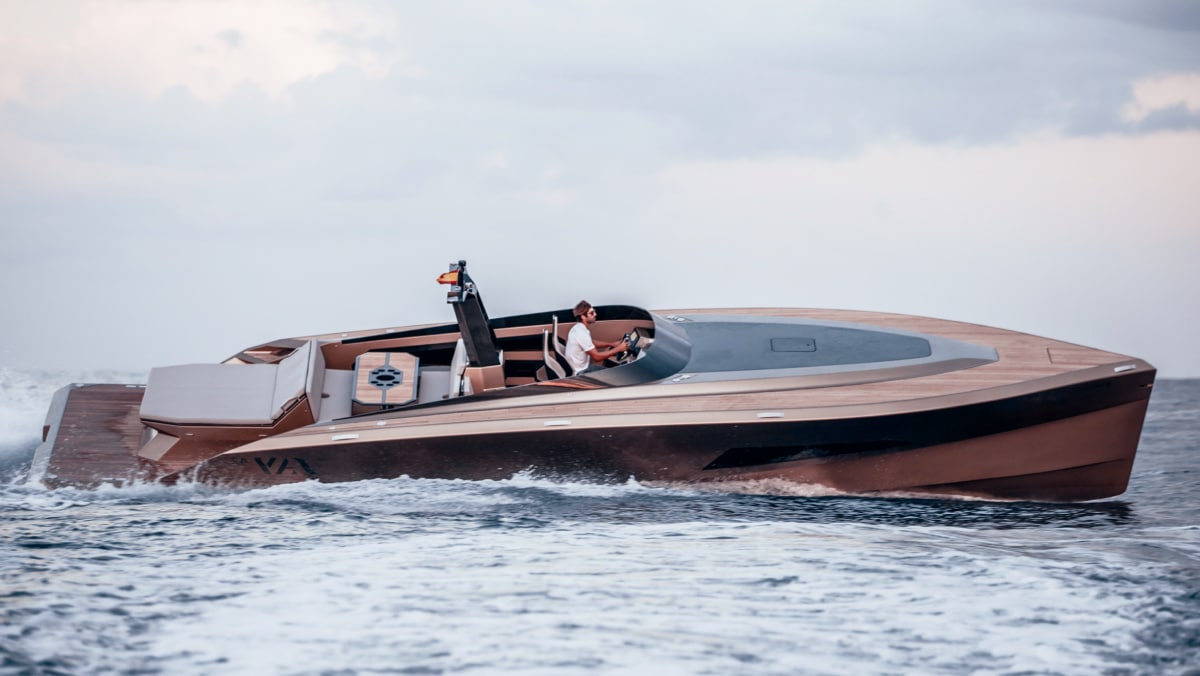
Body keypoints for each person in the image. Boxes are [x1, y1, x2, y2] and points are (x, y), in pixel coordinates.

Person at [565, 300, 629, 375]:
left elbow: (591, 342)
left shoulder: (578, 328)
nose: (595, 314)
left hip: (584, 369)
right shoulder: (581, 333)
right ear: (583, 316)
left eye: (594, 311)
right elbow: (597, 357)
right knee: (616, 374)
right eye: (591, 313)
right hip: (582, 372)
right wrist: (618, 349)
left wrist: (612, 344)